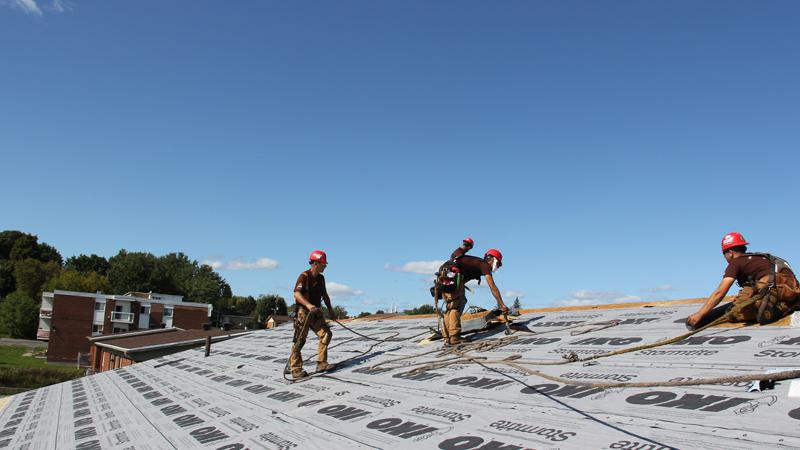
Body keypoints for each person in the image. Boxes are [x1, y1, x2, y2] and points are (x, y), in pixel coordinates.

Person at [687, 232, 800, 329]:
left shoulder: (736, 262)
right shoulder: (760, 257)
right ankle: (788, 303)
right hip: (790, 286)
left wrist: (699, 315)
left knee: (732, 312)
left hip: (771, 284)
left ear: (730, 253)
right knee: (756, 288)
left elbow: (719, 293)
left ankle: (765, 307)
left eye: (724, 254)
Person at [438, 238, 509, 345]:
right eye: (498, 264)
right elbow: (492, 286)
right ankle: (454, 337)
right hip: (453, 278)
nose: (497, 267)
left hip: (443, 277)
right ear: (493, 260)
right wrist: (501, 304)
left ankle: (447, 337)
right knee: (457, 305)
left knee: (450, 306)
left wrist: (467, 245)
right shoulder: (484, 264)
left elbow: (455, 254)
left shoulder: (468, 260)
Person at [289, 250, 336, 379]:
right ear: (315, 263)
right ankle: (295, 369)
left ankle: (321, 363)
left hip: (315, 313)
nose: (325, 266)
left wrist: (331, 310)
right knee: (299, 341)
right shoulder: (304, 276)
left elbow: (325, 296)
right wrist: (308, 305)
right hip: (303, 313)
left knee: (326, 334)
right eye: (323, 263)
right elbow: (296, 294)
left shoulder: (321, 279)